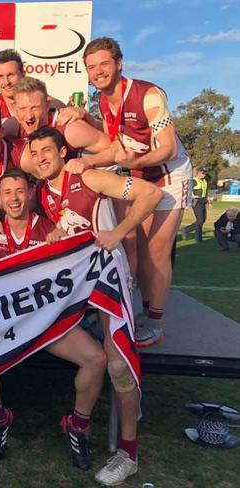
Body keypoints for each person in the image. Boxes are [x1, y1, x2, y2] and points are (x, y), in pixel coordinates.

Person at [28, 126, 161, 486]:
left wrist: (120, 232)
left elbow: (150, 193)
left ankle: (128, 453)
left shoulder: (89, 177)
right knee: (90, 355)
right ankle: (80, 423)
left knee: (118, 363)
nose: (41, 158)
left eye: (47, 151)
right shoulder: (42, 195)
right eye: (35, 152)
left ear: (62, 153)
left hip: (107, 281)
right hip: (75, 289)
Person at [0, 168, 109, 468]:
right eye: (7, 192)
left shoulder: (48, 228)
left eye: (20, 191)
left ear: (30, 193)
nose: (14, 198)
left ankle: (77, 426)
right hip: (8, 325)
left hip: (45, 324)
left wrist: (62, 242)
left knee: (96, 359)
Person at [83, 37, 192, 350]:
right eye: (92, 67)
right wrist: (88, 161)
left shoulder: (148, 94)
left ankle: (155, 324)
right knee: (141, 250)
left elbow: (168, 148)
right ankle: (146, 313)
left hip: (170, 173)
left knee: (158, 248)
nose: (99, 71)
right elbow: (118, 147)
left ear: (119, 63)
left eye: (104, 63)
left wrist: (134, 162)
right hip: (143, 174)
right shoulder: (103, 101)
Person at [182, 168, 208, 242]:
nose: (204, 174)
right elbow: (187, 191)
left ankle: (198, 238)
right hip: (196, 202)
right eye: (203, 173)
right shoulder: (194, 181)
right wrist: (187, 202)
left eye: (205, 173)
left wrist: (209, 201)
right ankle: (186, 230)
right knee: (200, 220)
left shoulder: (204, 181)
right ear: (198, 173)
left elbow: (205, 192)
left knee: (203, 220)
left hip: (203, 201)